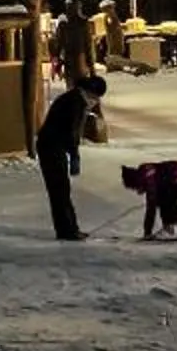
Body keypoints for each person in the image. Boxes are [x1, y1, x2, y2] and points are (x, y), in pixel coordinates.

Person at [35, 75, 107, 240]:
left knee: (61, 190)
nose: (95, 101)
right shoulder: (75, 102)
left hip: (53, 146)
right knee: (59, 190)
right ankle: (67, 231)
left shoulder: (75, 99)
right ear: (90, 91)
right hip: (51, 147)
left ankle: (69, 228)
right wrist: (74, 155)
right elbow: (71, 132)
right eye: (96, 97)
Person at [118, 157, 177, 239]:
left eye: (135, 187)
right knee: (164, 201)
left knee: (168, 202)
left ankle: (175, 229)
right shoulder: (144, 174)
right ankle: (171, 228)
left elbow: (151, 209)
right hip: (172, 175)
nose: (137, 191)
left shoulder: (149, 179)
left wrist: (147, 233)